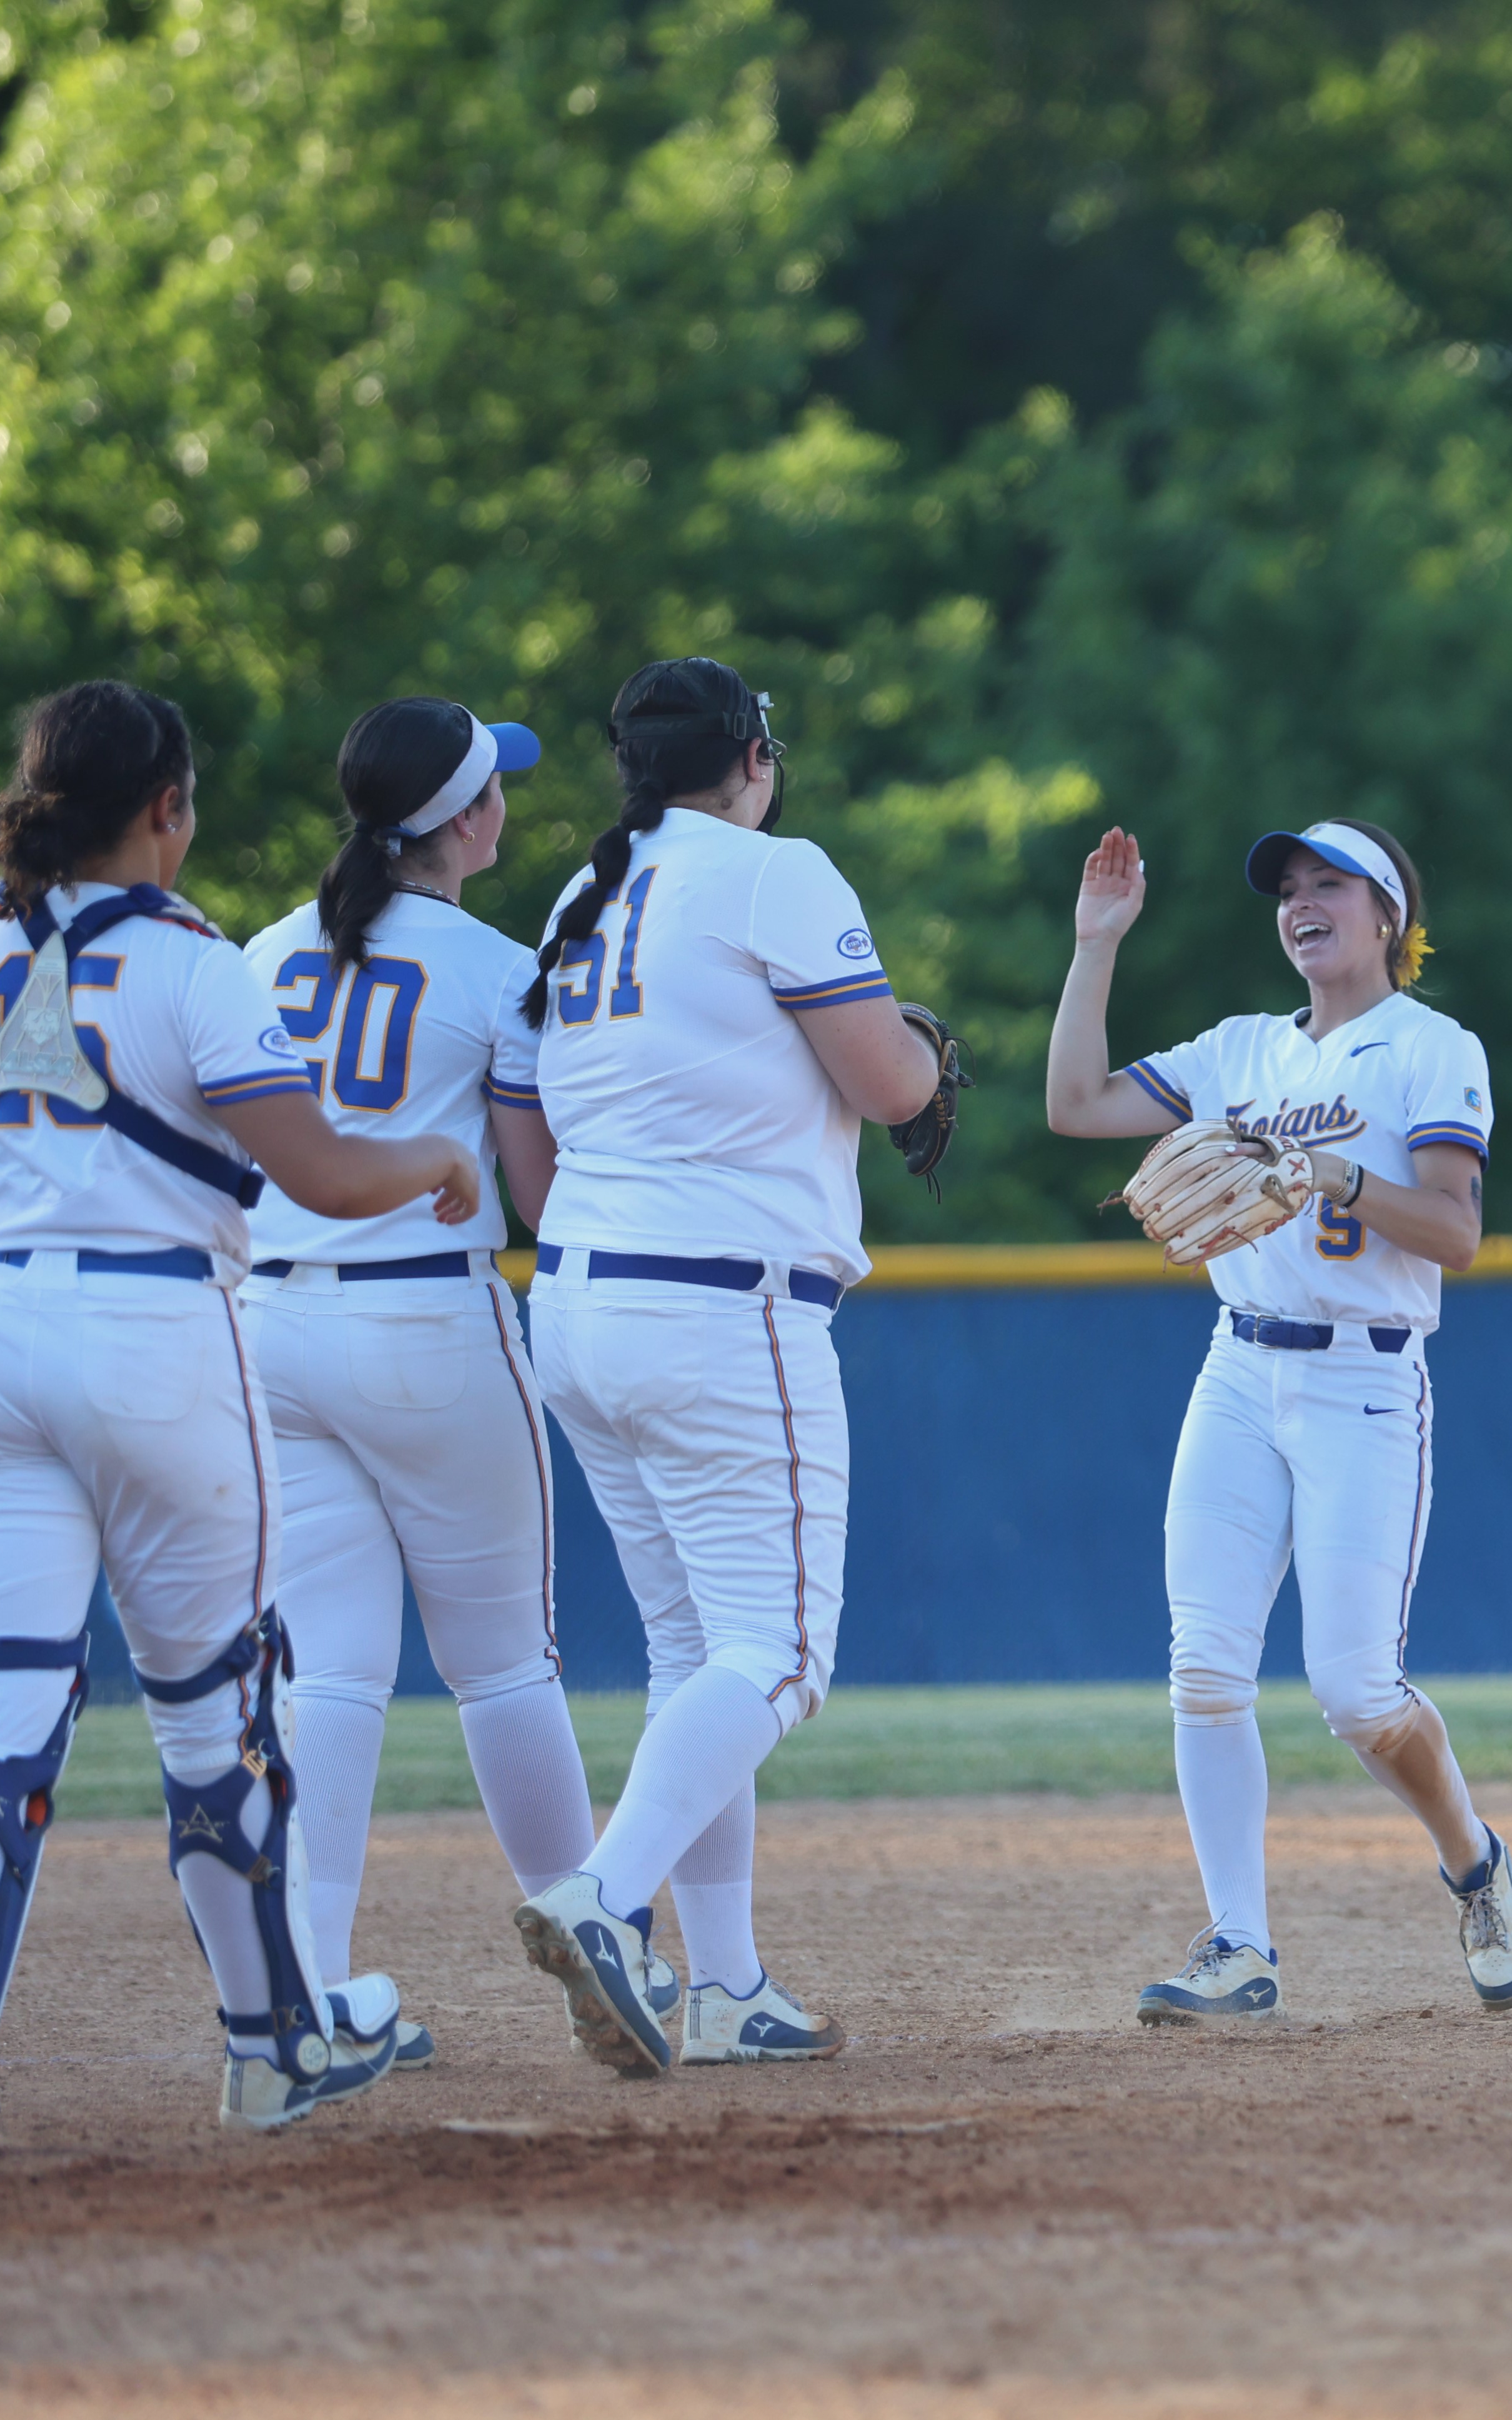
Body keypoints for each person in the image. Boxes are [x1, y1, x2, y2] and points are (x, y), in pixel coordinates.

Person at [0, 678, 485, 2151]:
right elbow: (320, 1173)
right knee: (213, 1712)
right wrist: (434, 1159)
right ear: (167, 806)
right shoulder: (193, 963)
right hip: (157, 1334)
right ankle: (269, 2049)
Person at [505, 656, 954, 2076]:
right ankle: (603, 1894)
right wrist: (922, 1047)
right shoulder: (776, 871)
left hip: (579, 1296)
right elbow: (890, 1084)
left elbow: (534, 1130)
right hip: (720, 1305)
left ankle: (730, 1984)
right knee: (779, 1656)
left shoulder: (578, 899)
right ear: (753, 756)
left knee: (694, 1651)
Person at [1043, 819, 1512, 2024]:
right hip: (1239, 1369)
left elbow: (1458, 1233)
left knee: (1356, 1693)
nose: (1301, 902)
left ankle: (1473, 1861)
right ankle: (1239, 1945)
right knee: (1204, 1666)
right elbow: (1074, 1105)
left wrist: (1340, 1176)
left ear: (1388, 916)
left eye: (1330, 885)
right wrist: (1096, 944)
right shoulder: (1237, 1049)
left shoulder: (1430, 1048)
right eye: (1288, 888)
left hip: (1365, 1381)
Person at [239, 697, 639, 2073]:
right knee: (503, 1662)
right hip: (424, 1318)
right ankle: (597, 1934)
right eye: (494, 787)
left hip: (269, 1324)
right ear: (467, 819)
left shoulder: (263, 951)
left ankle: (307, 1990)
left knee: (334, 1669)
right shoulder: (497, 965)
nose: (504, 804)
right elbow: (534, 1192)